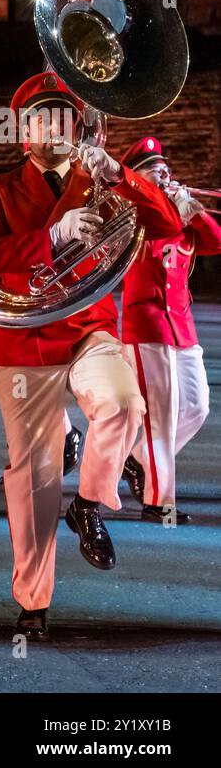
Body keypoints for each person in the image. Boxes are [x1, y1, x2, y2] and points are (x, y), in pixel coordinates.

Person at [0, 71, 180, 640]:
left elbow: (169, 225)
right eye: (41, 117)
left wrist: (120, 173)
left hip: (88, 328)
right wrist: (54, 235)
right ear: (24, 131)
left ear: (76, 127)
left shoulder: (101, 179)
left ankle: (88, 503)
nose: (53, 126)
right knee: (34, 477)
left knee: (123, 404)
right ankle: (33, 602)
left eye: (64, 117)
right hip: (25, 343)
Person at [119, 136, 221, 525]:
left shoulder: (180, 214)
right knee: (159, 417)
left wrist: (192, 210)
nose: (163, 175)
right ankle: (159, 502)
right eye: (152, 170)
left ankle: (136, 459)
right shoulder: (132, 214)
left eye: (165, 169)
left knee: (197, 407)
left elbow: (215, 242)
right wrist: (155, 199)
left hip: (182, 326)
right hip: (147, 324)